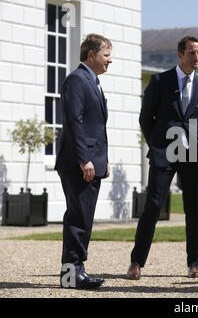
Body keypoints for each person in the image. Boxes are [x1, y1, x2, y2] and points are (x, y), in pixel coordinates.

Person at [127, 36, 198, 280]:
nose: (197, 58)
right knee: (153, 206)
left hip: (193, 155)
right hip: (164, 153)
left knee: (195, 209)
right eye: (192, 53)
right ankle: (136, 262)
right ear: (180, 54)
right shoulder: (159, 81)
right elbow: (146, 119)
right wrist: (157, 146)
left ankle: (194, 264)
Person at [55, 34, 112, 289]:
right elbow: (74, 122)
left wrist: (103, 160)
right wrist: (85, 159)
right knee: (78, 218)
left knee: (82, 217)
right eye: (106, 55)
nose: (110, 60)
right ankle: (73, 274)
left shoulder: (93, 81)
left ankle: (73, 274)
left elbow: (95, 127)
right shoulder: (77, 80)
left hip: (92, 162)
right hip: (79, 163)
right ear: (91, 55)